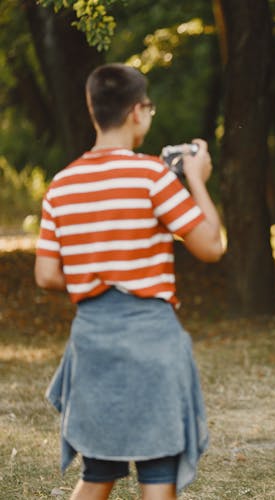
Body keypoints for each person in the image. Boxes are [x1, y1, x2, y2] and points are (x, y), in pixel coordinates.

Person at [35, 63, 224, 500]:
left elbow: (46, 274)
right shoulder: (153, 177)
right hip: (150, 340)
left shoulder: (61, 185)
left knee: (99, 469)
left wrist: (98, 273)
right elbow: (211, 246)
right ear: (138, 111)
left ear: (93, 109)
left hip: (93, 341)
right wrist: (196, 179)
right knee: (158, 472)